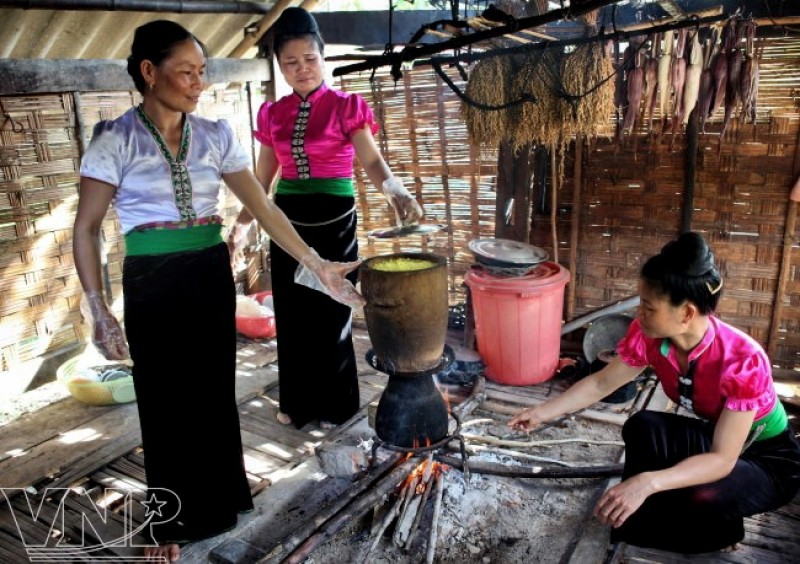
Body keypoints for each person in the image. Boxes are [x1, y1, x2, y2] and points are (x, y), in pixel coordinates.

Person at [73, 20, 363, 562]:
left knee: (211, 395)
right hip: (152, 281)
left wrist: (315, 263)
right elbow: (86, 229)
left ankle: (222, 503)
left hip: (209, 273)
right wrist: (99, 310)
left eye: (203, 72)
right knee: (164, 403)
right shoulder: (115, 138)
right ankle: (169, 523)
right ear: (149, 72)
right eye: (186, 72)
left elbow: (264, 206)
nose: (198, 83)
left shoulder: (215, 135)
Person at [509, 232, 800, 554]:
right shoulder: (649, 336)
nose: (639, 315)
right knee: (643, 425)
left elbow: (722, 459)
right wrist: (541, 412)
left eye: (648, 307)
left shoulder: (742, 359)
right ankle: (635, 518)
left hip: (768, 458)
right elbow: (601, 383)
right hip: (721, 438)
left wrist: (649, 481)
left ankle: (722, 532)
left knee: (701, 494)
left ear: (687, 313)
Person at [229, 7, 424, 429]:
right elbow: (262, 180)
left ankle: (337, 406)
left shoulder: (346, 107)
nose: (302, 69)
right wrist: (243, 223)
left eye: (310, 59)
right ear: (280, 66)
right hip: (287, 222)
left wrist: (396, 191)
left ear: (323, 56)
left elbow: (372, 162)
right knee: (295, 316)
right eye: (291, 63)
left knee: (332, 314)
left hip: (335, 220)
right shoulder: (273, 114)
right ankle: (298, 404)